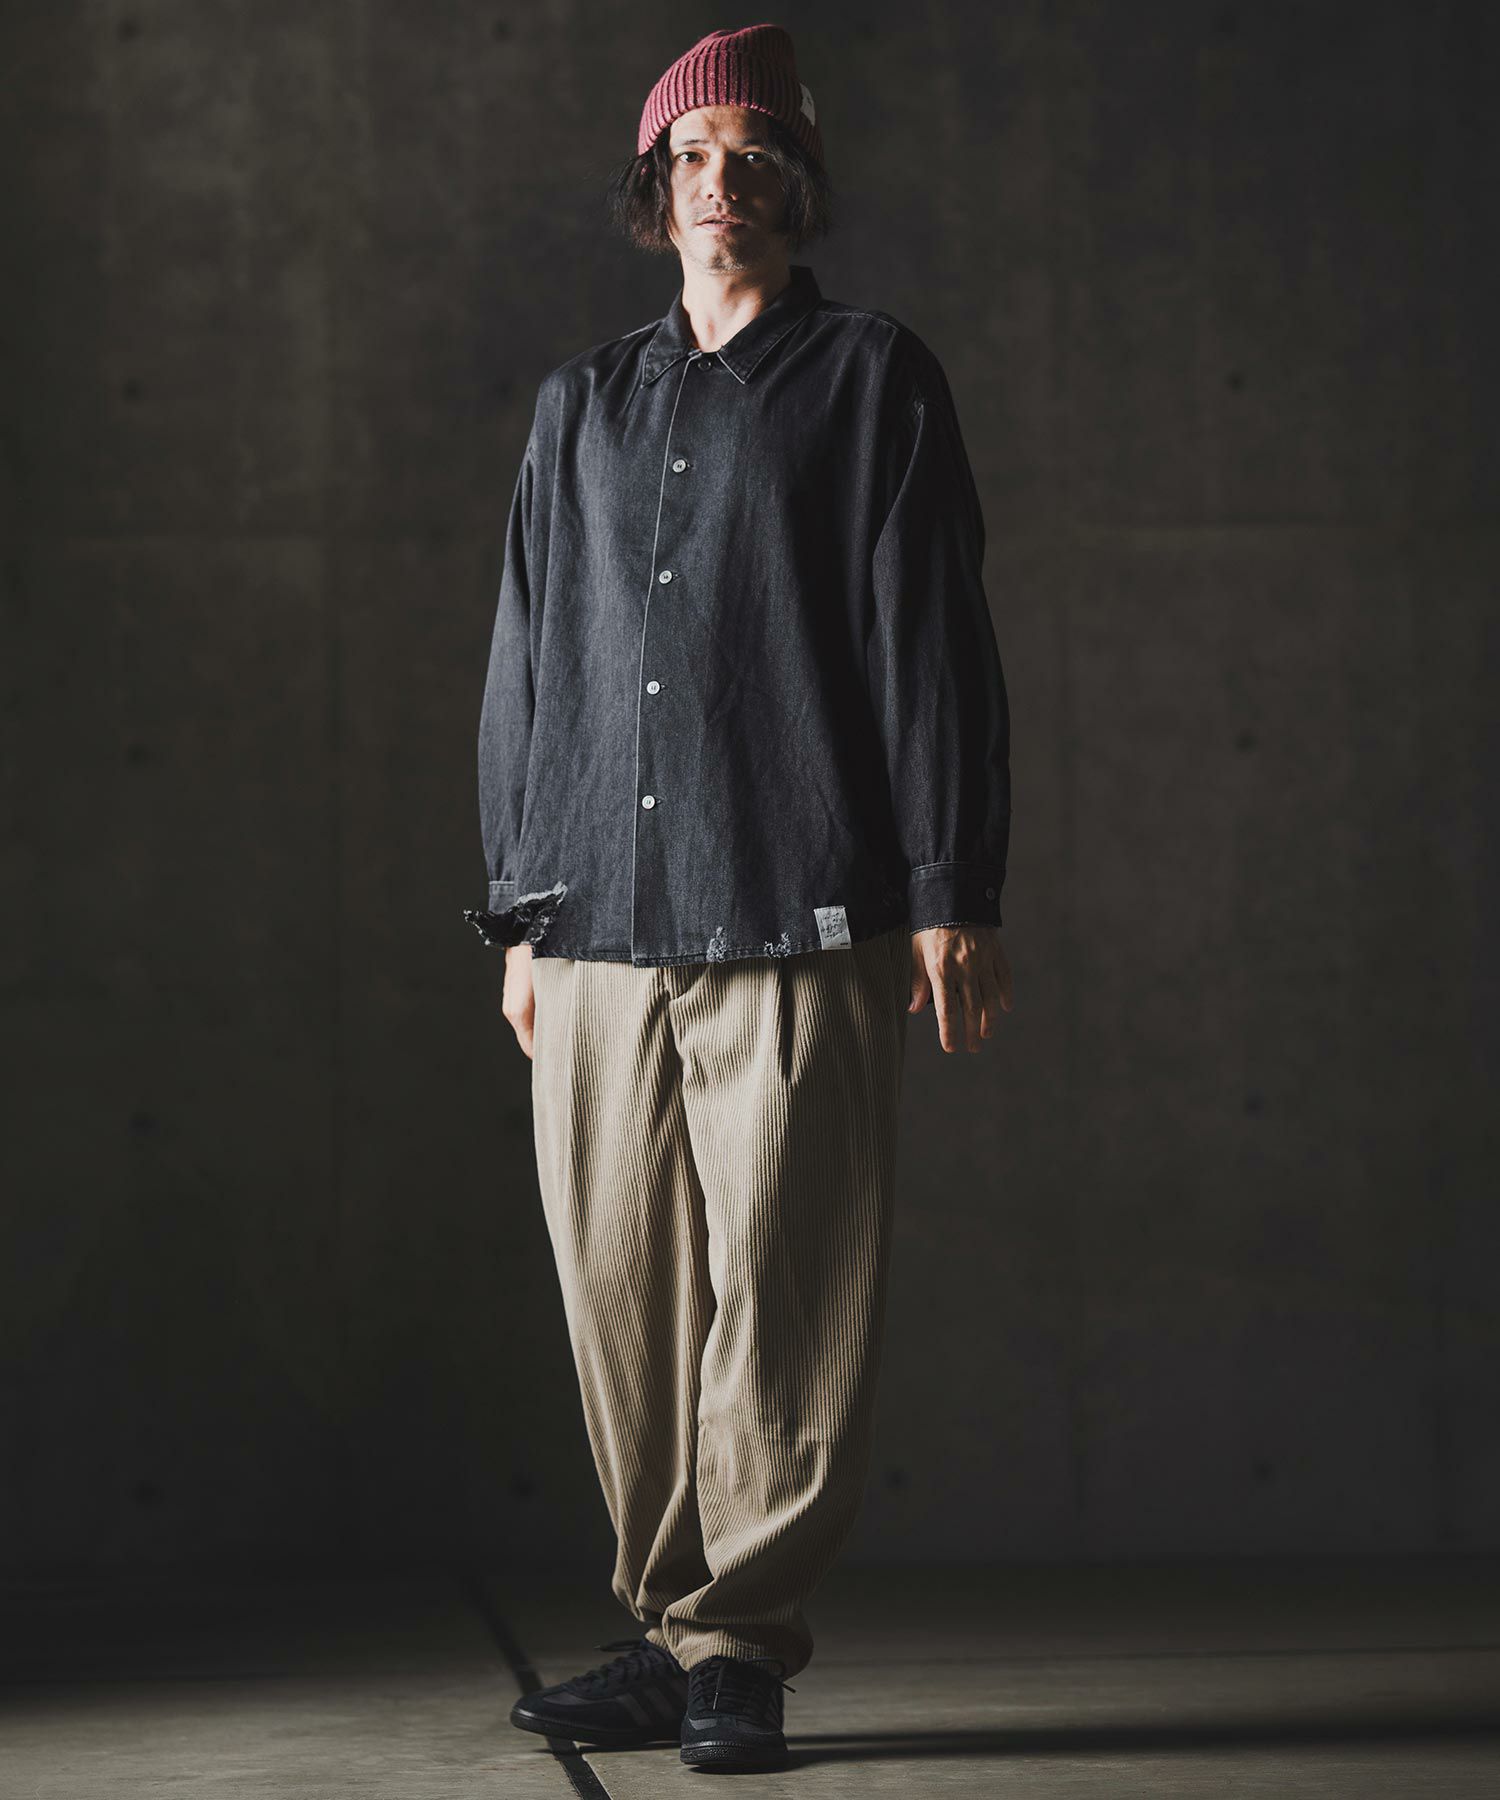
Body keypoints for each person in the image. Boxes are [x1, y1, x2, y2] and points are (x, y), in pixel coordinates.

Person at [464, 22, 1014, 1774]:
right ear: (658, 187)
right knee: (621, 1296)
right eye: (695, 158)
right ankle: (665, 1626)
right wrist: (520, 909)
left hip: (800, 897)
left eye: (757, 157)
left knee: (788, 1290)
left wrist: (950, 882)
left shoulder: (873, 378)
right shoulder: (581, 404)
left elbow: (929, 640)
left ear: (799, 185)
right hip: (595, 922)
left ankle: (739, 1646)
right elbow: (530, 654)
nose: (724, 184)